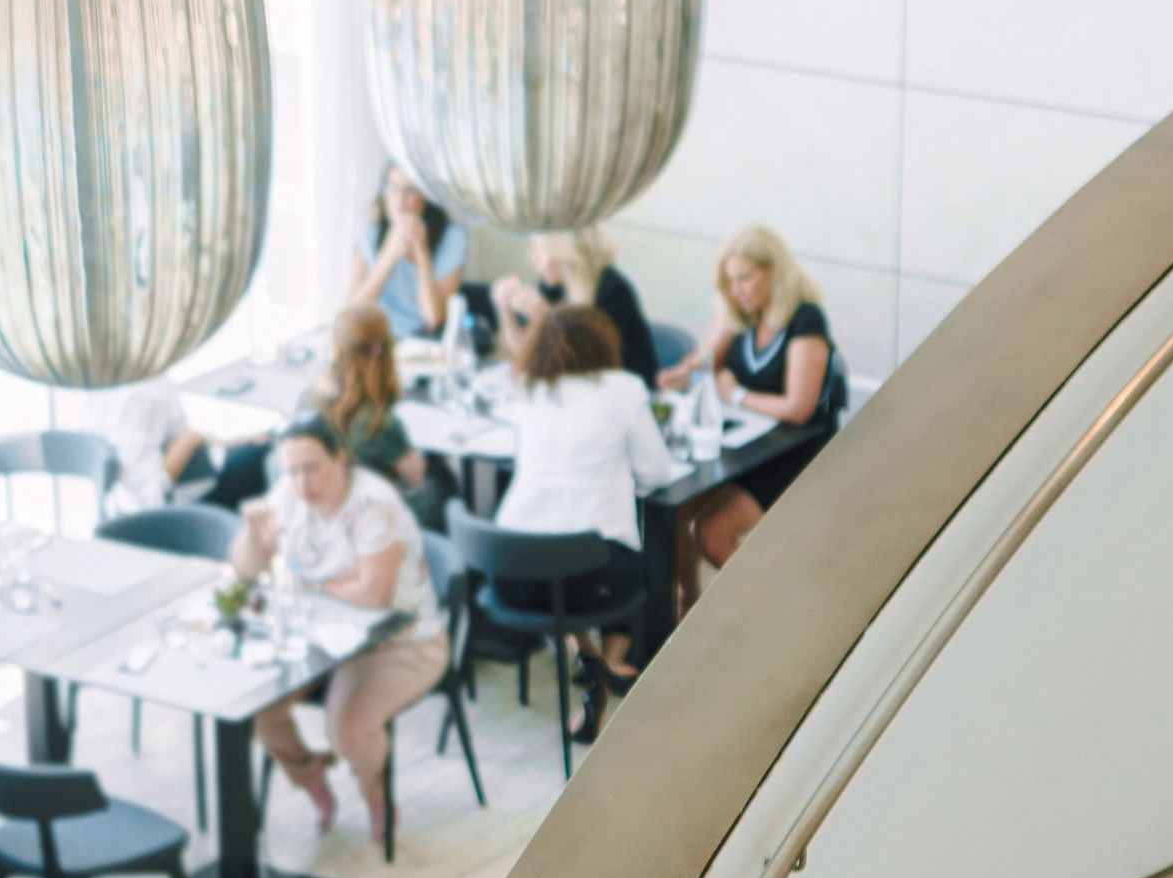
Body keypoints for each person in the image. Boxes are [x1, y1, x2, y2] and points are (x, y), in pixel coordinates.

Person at [230, 419, 447, 849]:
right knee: (255, 707)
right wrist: (255, 538)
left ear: (340, 458)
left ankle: (377, 797)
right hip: (324, 640)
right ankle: (311, 777)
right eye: (292, 470)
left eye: (313, 468)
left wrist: (309, 583)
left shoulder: (372, 503)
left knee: (347, 726)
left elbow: (373, 592)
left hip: (401, 642)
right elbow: (246, 571)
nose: (302, 482)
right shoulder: (289, 493)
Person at [495, 302, 670, 715]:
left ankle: (585, 657)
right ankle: (609, 662)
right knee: (630, 559)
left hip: (515, 577)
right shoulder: (622, 389)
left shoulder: (528, 390)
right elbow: (657, 473)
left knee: (567, 575)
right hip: (592, 576)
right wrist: (628, 481)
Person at [662, 224, 840, 584]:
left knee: (711, 532)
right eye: (730, 281)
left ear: (773, 273)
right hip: (747, 447)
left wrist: (736, 395)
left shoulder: (806, 319)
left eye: (744, 278)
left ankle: (767, 608)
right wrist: (680, 375)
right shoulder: (739, 311)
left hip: (795, 451)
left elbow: (798, 408)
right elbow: (705, 360)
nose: (735, 290)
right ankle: (684, 614)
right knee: (677, 515)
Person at [490, 226, 661, 385]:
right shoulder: (552, 286)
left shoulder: (612, 291)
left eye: (540, 250)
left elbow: (590, 367)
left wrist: (548, 319)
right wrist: (504, 311)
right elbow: (526, 356)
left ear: (565, 251)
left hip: (627, 393)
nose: (532, 258)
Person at [319, 305, 437, 522]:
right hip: (375, 520)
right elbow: (415, 478)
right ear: (385, 352)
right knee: (441, 481)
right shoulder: (379, 423)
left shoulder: (313, 401)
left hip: (329, 513)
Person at [101, 378, 268, 518]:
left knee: (267, 441)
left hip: (205, 459)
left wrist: (231, 442)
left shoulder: (146, 382)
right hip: (191, 494)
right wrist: (189, 439)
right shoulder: (138, 396)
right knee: (270, 454)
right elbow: (148, 498)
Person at [349, 164, 467, 341]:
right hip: (379, 341)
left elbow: (434, 318)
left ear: (425, 196)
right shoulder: (371, 235)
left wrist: (422, 253)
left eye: (410, 191)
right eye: (393, 189)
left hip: (425, 342)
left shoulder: (452, 238)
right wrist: (388, 257)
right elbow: (351, 315)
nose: (400, 201)